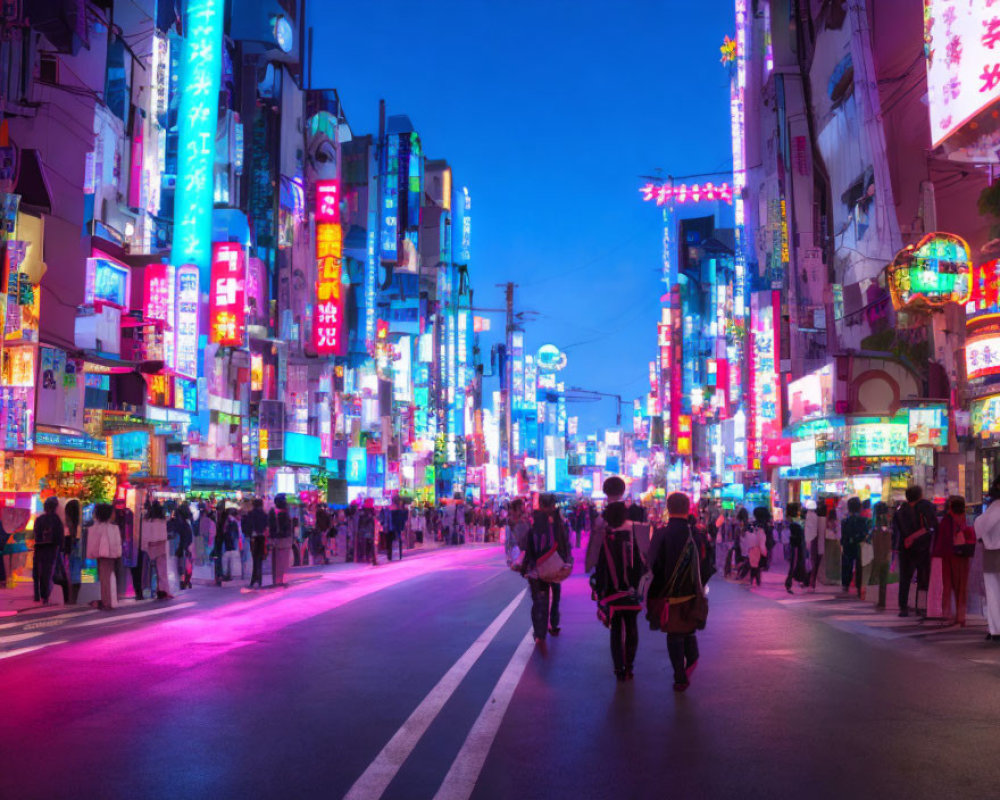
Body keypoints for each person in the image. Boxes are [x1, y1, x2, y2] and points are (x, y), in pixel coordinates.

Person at [647, 492, 704, 692]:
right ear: (688, 508)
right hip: (692, 594)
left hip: (668, 594)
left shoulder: (661, 534)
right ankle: (692, 661)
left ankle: (680, 677)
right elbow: (707, 564)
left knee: (673, 634)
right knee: (688, 630)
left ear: (667, 509)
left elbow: (651, 564)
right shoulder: (696, 534)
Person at [593, 501, 642, 681]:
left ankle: (618, 669)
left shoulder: (604, 536)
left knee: (615, 630)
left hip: (612, 592)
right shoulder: (635, 533)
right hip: (632, 590)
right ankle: (629, 666)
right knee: (631, 627)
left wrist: (599, 592)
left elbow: (598, 566)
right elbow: (642, 561)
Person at [524, 494, 571, 645]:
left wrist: (530, 564)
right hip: (553, 564)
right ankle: (549, 627)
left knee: (540, 600)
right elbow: (564, 541)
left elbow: (527, 544)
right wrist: (565, 560)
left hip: (540, 566)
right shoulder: (557, 521)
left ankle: (540, 632)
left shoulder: (535, 521)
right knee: (551, 597)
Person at [895, 485, 936, 617]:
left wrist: (905, 540)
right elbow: (931, 526)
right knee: (923, 577)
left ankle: (903, 607)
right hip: (922, 547)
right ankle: (921, 606)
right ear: (919, 496)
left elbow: (896, 531)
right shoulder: (925, 507)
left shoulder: (900, 510)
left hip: (905, 549)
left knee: (905, 578)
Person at [936, 496, 975, 627]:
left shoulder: (946, 520)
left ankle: (947, 614)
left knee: (947, 587)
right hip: (963, 556)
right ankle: (961, 616)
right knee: (962, 588)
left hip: (948, 557)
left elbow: (941, 539)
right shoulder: (966, 519)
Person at [974, 480, 1000, 641]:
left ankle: (996, 628)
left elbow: (980, 525)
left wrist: (984, 539)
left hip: (993, 553)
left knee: (993, 592)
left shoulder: (996, 507)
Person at [586, 476, 627, 572]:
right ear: (623, 491)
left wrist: (589, 565)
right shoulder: (634, 513)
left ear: (605, 492)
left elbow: (595, 548)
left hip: (606, 567)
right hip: (630, 569)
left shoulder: (601, 519)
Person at [87, 503, 122, 610]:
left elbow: (91, 543)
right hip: (109, 556)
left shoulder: (94, 528)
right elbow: (117, 543)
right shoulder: (113, 528)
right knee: (108, 578)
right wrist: (117, 554)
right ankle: (108, 601)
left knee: (103, 578)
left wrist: (91, 555)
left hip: (98, 556)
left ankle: (104, 600)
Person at [32, 496, 65, 605]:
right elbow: (60, 537)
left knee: (38, 571)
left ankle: (38, 594)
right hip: (52, 548)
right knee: (49, 571)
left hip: (39, 547)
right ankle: (46, 595)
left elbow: (36, 534)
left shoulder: (39, 519)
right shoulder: (57, 519)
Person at [142, 501, 172, 600]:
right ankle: (163, 590)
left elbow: (145, 535)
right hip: (161, 545)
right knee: (162, 570)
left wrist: (144, 546)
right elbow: (164, 534)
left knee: (149, 570)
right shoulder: (162, 520)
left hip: (150, 546)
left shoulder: (147, 520)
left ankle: (149, 590)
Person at [840, 497, 869, 595]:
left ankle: (845, 585)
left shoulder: (845, 521)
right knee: (859, 566)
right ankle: (859, 586)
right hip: (859, 545)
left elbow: (843, 535)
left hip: (847, 544)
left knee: (847, 565)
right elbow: (865, 534)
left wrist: (842, 544)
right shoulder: (864, 520)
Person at [871, 502, 893, 610]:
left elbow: (879, 535)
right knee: (883, 577)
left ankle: (881, 601)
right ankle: (881, 600)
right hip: (886, 552)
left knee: (880, 576)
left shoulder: (879, 521)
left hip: (880, 552)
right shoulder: (887, 521)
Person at [243, 498, 269, 588]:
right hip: (262, 538)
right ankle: (259, 580)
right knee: (260, 559)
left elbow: (247, 526)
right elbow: (266, 525)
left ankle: (254, 580)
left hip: (253, 538)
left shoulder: (250, 514)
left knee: (254, 559)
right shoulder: (264, 515)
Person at [269, 494, 294, 586]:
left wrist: (271, 538)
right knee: (284, 560)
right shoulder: (286, 513)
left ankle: (277, 580)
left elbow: (271, 527)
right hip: (285, 539)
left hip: (276, 539)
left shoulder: (273, 513)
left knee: (276, 561)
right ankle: (281, 580)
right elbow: (288, 527)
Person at [741, 509, 769, 587]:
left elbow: (747, 536)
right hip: (760, 548)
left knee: (754, 565)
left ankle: (753, 580)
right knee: (757, 565)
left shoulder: (752, 524)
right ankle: (756, 580)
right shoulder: (764, 525)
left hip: (753, 548)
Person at [785, 502, 807, 594]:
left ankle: (794, 582)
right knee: (794, 564)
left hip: (791, 545)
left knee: (794, 564)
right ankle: (789, 584)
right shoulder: (796, 522)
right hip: (796, 546)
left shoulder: (788, 520)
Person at [171, 504, 194, 590]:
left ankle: (182, 581)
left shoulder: (175, 522)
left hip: (178, 549)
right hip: (184, 548)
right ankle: (185, 582)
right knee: (186, 566)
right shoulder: (186, 524)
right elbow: (189, 538)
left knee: (181, 566)